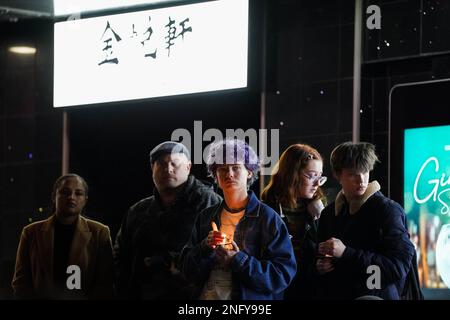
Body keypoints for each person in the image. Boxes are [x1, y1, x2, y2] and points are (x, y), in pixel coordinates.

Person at [181, 138, 297, 300]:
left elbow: (282, 275)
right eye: (222, 169)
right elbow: (187, 272)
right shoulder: (206, 217)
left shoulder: (268, 218)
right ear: (215, 175)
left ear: (249, 172)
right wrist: (205, 248)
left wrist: (238, 260)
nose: (229, 174)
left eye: (236, 167)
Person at [114, 141, 221, 299]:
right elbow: (120, 256)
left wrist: (169, 262)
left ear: (188, 167)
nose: (168, 169)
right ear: (152, 168)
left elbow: (219, 254)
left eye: (174, 163)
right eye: (161, 164)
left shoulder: (209, 203)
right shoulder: (137, 211)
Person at [315, 142, 415, 300]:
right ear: (338, 175)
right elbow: (319, 257)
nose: (361, 180)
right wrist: (321, 266)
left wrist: (347, 253)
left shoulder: (387, 210)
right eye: (352, 174)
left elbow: (397, 267)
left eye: (365, 171)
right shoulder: (329, 213)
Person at [11, 174, 114, 299]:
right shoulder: (30, 233)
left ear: (85, 200)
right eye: (65, 192)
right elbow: (21, 282)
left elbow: (105, 283)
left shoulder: (99, 233)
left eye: (78, 193)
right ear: (54, 196)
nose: (71, 197)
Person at [261, 144, 327, 299]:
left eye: (320, 177)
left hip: (308, 289)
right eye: (311, 176)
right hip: (277, 289)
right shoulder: (266, 210)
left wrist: (321, 218)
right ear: (291, 174)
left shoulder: (319, 209)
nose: (317, 184)